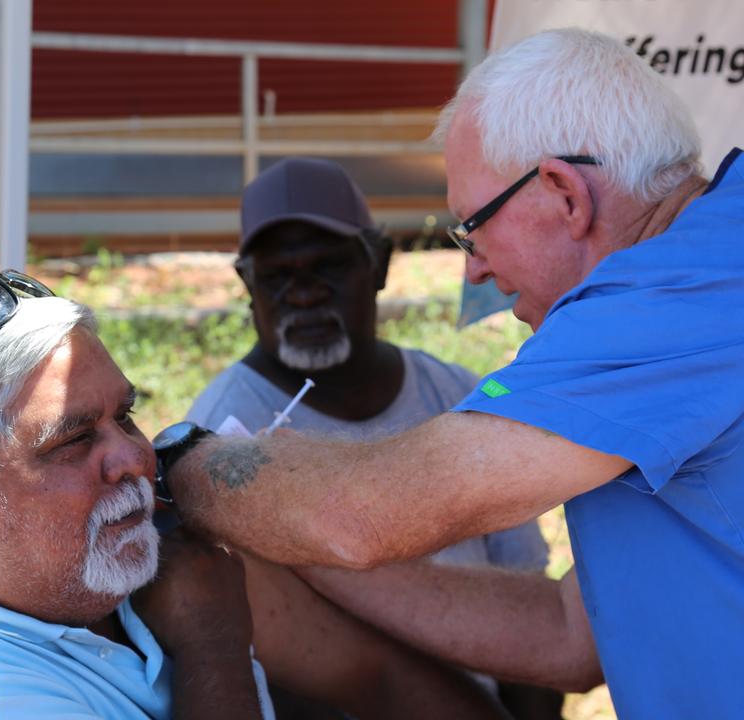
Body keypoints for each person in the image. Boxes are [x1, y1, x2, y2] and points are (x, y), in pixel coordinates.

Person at [155, 29, 744, 718]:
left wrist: (180, 457)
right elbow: (572, 635)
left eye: (470, 230)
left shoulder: (677, 297)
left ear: (565, 195)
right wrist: (303, 548)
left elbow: (360, 514)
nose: (478, 272)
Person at [0, 272, 509, 719]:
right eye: (73, 440)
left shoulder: (91, 562)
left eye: (125, 415)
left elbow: (379, 680)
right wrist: (212, 649)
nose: (135, 459)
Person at [185, 156, 559, 719]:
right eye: (278, 276)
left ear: (379, 263)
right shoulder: (223, 434)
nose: (304, 295)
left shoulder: (458, 396)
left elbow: (532, 607)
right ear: (246, 284)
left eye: (327, 268)